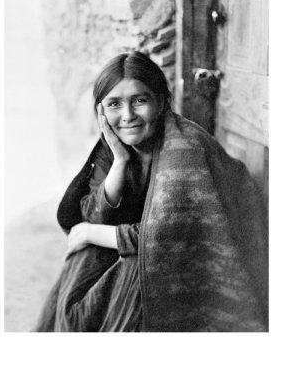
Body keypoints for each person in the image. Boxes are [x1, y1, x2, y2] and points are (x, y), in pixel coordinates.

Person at [35, 51, 268, 332]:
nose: (127, 115)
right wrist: (120, 163)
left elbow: (167, 238)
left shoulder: (184, 149)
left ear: (161, 102)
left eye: (140, 100)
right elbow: (92, 213)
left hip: (201, 253)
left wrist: (89, 232)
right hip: (149, 241)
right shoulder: (113, 145)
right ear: (101, 112)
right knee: (80, 275)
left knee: (135, 268)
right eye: (114, 104)